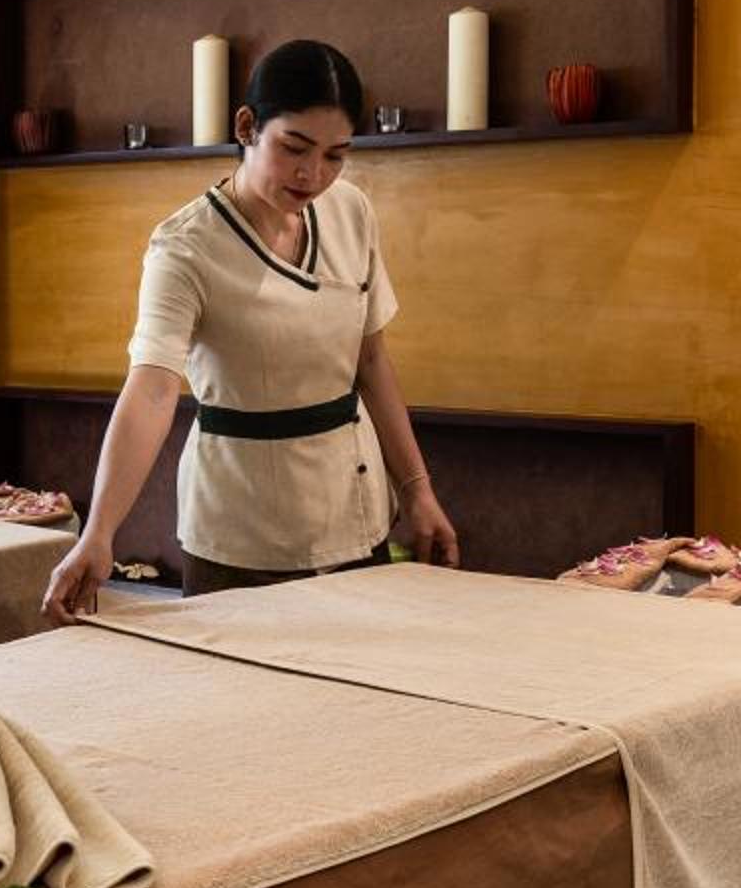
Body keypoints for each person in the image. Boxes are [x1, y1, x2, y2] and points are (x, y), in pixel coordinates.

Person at [41, 39, 458, 621]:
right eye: (294, 148)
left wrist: (417, 490)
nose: (313, 174)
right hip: (238, 534)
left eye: (336, 155)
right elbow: (153, 389)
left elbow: (370, 362)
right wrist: (99, 532)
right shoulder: (184, 248)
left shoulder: (351, 210)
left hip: (353, 514)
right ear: (246, 127)